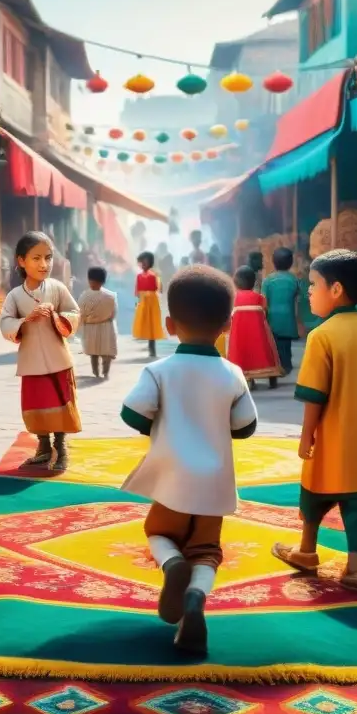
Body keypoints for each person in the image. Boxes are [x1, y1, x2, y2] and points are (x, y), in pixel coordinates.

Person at [120, 265, 258, 654]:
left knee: (159, 533)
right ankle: (196, 595)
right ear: (227, 325)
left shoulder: (159, 370)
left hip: (172, 478)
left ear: (168, 324)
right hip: (213, 482)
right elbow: (245, 427)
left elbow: (132, 415)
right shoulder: (232, 372)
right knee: (208, 551)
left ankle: (171, 566)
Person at [271, 249, 357, 592]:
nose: (309, 292)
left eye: (314, 284)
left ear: (336, 290)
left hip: (333, 437)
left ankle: (306, 550)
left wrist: (306, 437)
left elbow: (314, 396)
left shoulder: (322, 336)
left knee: (314, 494)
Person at [0, 231, 82, 473]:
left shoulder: (57, 288)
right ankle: (44, 446)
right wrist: (25, 321)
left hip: (58, 356)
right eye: (36, 258)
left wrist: (56, 317)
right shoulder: (14, 295)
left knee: (60, 401)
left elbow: (74, 312)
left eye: (48, 257)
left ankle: (61, 446)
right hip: (31, 359)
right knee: (36, 403)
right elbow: (5, 322)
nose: (44, 264)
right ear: (21, 261)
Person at [227, 266, 282, 390]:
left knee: (242, 353)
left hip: (239, 334)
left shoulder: (233, 299)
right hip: (258, 333)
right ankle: (271, 377)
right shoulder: (259, 297)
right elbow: (265, 311)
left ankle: (248, 380)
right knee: (265, 351)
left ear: (235, 283)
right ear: (254, 283)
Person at [263, 246, 300, 374]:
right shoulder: (294, 280)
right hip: (288, 317)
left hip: (272, 318)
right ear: (291, 263)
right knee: (286, 344)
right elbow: (298, 296)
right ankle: (287, 364)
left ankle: (276, 365)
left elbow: (264, 300)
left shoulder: (268, 280)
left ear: (273, 262)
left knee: (274, 344)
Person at [78, 265, 118, 379]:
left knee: (103, 352)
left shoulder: (85, 295)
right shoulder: (110, 296)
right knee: (96, 353)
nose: (93, 283)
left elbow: (81, 312)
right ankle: (96, 372)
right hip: (102, 327)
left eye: (95, 281)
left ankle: (104, 372)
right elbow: (113, 312)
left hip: (98, 327)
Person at [133, 251, 165, 358]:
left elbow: (160, 289)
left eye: (145, 261)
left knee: (152, 324)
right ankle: (149, 345)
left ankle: (152, 347)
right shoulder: (139, 276)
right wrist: (138, 302)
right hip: (143, 302)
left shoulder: (154, 274)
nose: (143, 263)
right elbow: (137, 291)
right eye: (141, 261)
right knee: (144, 324)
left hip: (152, 302)